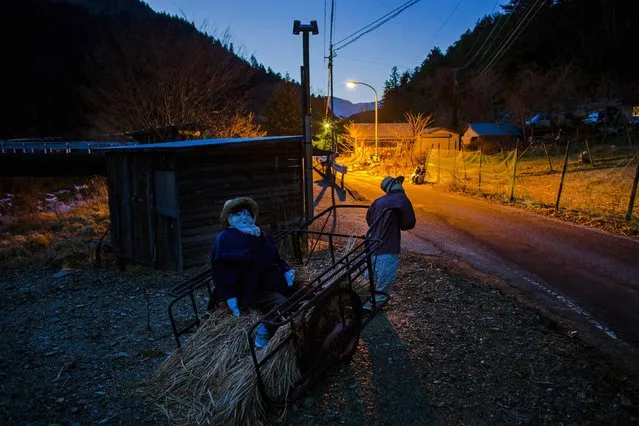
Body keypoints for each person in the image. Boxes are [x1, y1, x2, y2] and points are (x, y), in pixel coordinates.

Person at [211, 197, 296, 348]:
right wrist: (230, 296)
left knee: (301, 290)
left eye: (247, 214)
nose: (244, 217)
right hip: (251, 289)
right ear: (229, 218)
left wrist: (286, 270)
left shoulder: (260, 234)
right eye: (238, 214)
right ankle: (265, 329)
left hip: (272, 281)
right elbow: (221, 270)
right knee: (283, 305)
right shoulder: (226, 238)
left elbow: (275, 257)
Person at [363, 176, 416, 311]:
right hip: (388, 246)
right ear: (397, 184)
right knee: (385, 281)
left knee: (372, 276)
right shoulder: (402, 199)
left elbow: (369, 219)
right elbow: (408, 224)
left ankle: (368, 300)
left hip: (372, 245)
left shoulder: (378, 201)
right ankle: (370, 308)